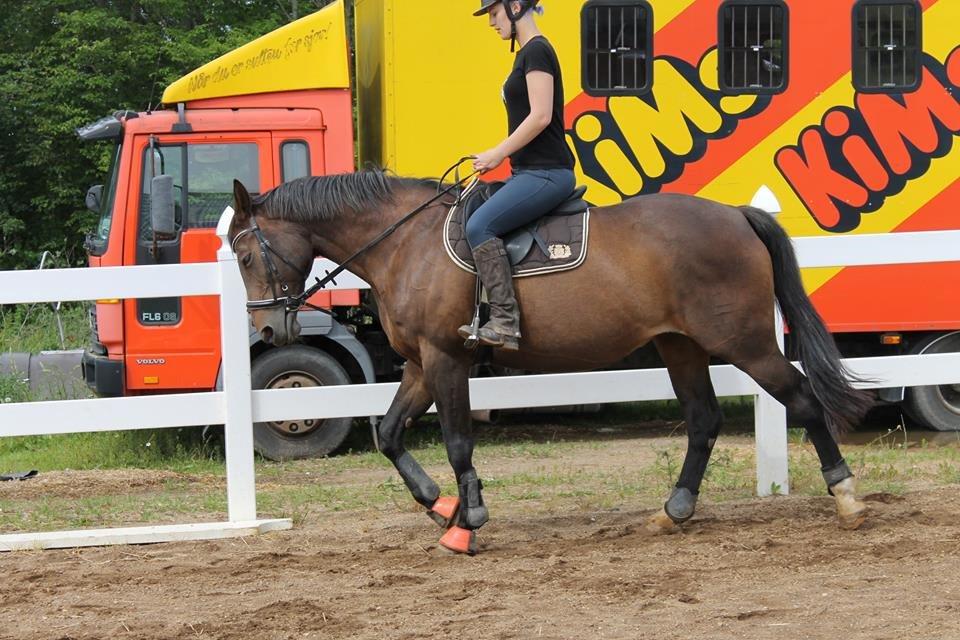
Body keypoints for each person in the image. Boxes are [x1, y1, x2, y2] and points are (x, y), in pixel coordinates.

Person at [458, 0, 577, 351]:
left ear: (514, 7)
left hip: (547, 173)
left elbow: (541, 116)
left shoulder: (537, 51)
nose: (491, 23)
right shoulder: (525, 54)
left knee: (480, 226)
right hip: (528, 172)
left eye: (493, 14)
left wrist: (497, 153)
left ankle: (505, 323)